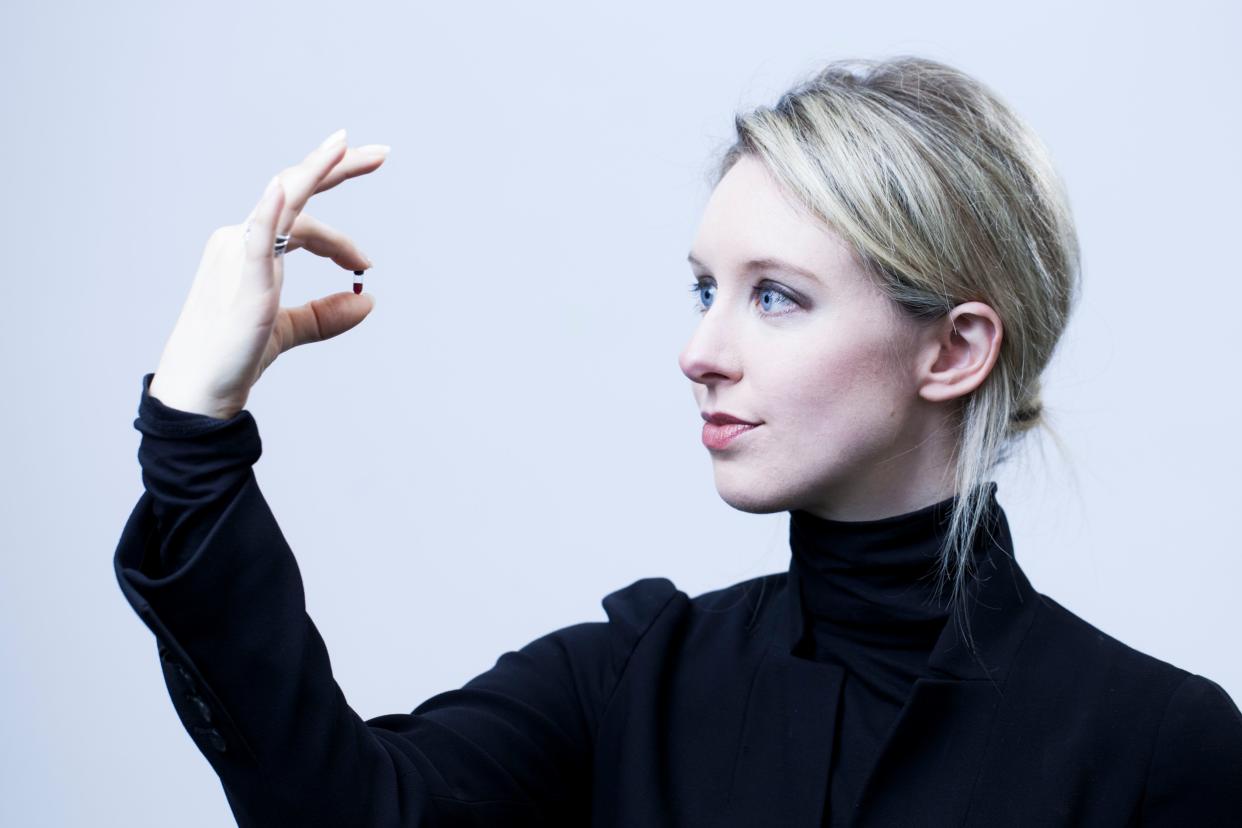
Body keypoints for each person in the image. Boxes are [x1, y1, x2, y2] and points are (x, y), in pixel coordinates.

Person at [114, 55, 1242, 826]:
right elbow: (346, 809)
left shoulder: (1160, 747)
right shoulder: (632, 681)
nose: (701, 350)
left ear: (952, 351)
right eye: (706, 287)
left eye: (777, 297)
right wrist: (193, 425)